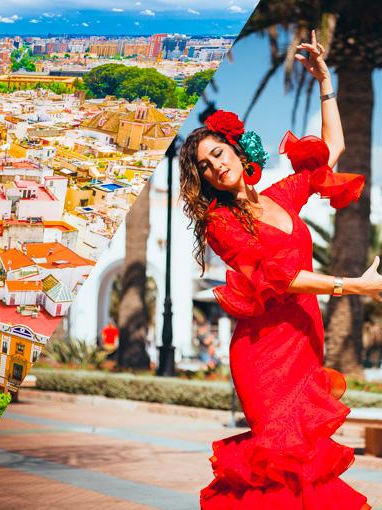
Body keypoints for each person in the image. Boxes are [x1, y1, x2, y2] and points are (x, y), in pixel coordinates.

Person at [179, 30, 373, 509]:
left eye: (217, 154)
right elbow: (280, 278)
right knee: (277, 467)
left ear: (237, 150)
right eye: (202, 167)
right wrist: (356, 287)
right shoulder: (220, 222)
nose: (213, 168)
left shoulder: (281, 197)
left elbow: (333, 149)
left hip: (304, 341)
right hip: (263, 355)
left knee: (306, 464)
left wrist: (326, 83)